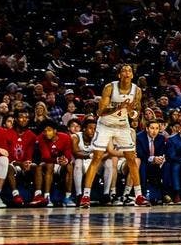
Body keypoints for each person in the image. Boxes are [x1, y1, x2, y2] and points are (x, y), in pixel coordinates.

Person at [80, 64, 147, 207]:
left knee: (131, 159)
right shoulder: (110, 87)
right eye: (124, 70)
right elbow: (100, 111)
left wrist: (129, 112)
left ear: (132, 75)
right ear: (119, 75)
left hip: (123, 125)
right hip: (105, 125)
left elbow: (136, 114)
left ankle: (139, 195)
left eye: (129, 71)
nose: (127, 73)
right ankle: (85, 196)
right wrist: (118, 107)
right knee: (97, 157)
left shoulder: (137, 90)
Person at [33, 121, 72, 206]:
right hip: (46, 163)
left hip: (59, 164)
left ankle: (68, 197)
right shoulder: (41, 138)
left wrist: (65, 160)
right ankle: (47, 197)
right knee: (49, 165)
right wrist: (58, 160)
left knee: (69, 166)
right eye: (45, 131)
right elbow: (46, 156)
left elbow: (68, 154)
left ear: (55, 130)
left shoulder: (65, 137)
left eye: (49, 130)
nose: (47, 133)